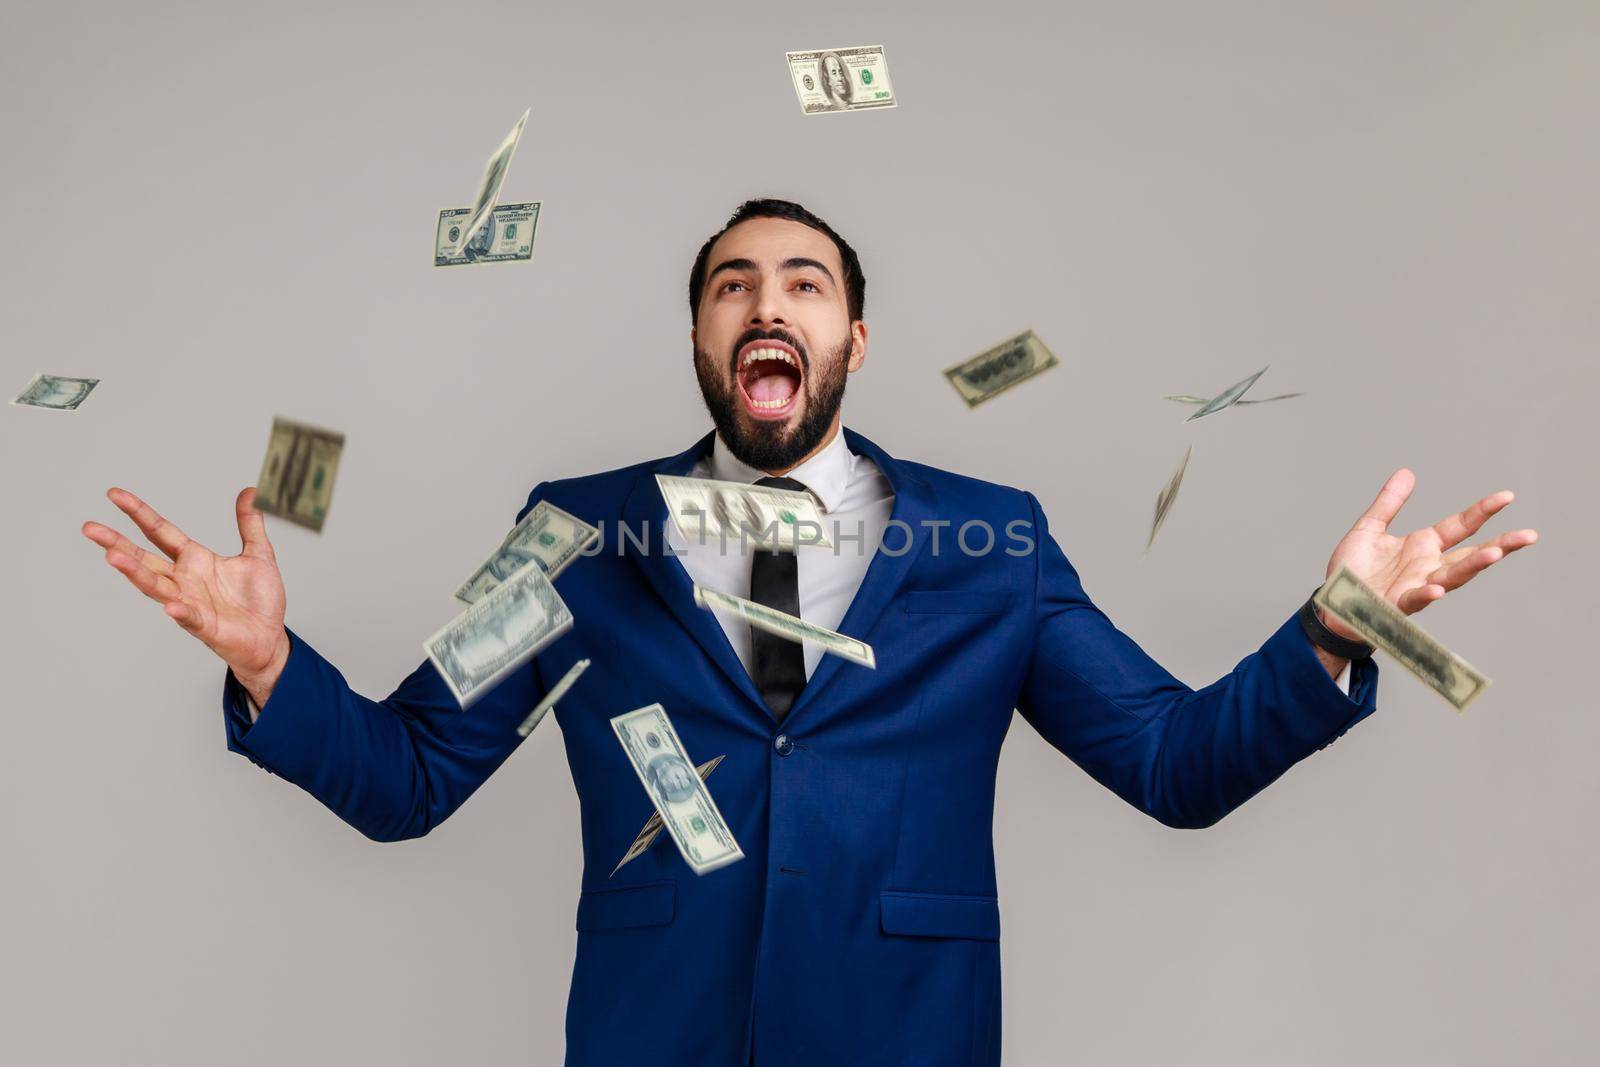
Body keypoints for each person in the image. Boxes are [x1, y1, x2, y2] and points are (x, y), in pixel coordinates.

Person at [81, 198, 1539, 1067]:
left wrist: (1335, 628)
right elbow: (410, 774)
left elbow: (1173, 763)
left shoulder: (996, 538)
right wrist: (269, 659)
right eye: (731, 287)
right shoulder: (578, 532)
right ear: (705, 344)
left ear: (853, 342)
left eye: (802, 286)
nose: (763, 306)